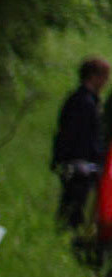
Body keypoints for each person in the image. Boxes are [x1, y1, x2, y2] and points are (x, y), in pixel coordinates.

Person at [52, 56, 109, 229]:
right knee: (73, 209)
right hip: (79, 165)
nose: (106, 83)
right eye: (104, 77)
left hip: (77, 164)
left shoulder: (79, 100)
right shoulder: (84, 103)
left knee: (73, 207)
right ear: (94, 77)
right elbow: (82, 137)